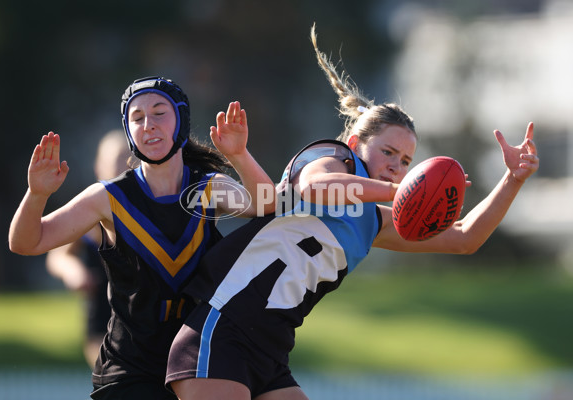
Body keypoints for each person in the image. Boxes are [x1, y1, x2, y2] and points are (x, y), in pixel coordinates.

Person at [165, 25, 539, 400]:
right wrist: (401, 191)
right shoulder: (333, 160)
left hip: (270, 350)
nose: (396, 165)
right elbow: (316, 188)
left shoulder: (372, 222)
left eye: (406, 161)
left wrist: (513, 179)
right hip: (222, 329)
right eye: (388, 152)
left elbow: (463, 239)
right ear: (356, 142)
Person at [9, 76, 276, 400]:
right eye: (137, 118)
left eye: (159, 113)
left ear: (182, 120)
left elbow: (266, 203)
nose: (148, 125)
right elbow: (25, 243)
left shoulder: (208, 187)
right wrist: (36, 194)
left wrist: (239, 155)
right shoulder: (106, 197)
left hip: (196, 362)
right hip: (130, 371)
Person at [45, 130, 129, 368]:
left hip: (143, 316)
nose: (122, 168)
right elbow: (58, 256)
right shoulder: (88, 215)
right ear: (99, 168)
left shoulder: (147, 212)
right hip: (102, 321)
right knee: (112, 377)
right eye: (115, 162)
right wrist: (74, 272)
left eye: (129, 162)